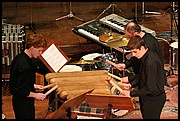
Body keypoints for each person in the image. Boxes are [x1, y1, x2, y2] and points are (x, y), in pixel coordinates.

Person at [120, 36, 166, 119]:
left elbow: (150, 88)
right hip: (147, 96)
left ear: (142, 47)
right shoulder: (146, 56)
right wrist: (131, 84)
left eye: (135, 52)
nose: (133, 55)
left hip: (153, 100)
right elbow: (143, 75)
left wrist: (130, 94)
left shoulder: (150, 63)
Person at [9, 33, 51, 119]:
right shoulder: (24, 66)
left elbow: (18, 81)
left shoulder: (21, 57)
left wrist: (33, 85)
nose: (40, 53)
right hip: (22, 102)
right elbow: (20, 90)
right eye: (39, 50)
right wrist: (36, 95)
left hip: (22, 100)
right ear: (32, 48)